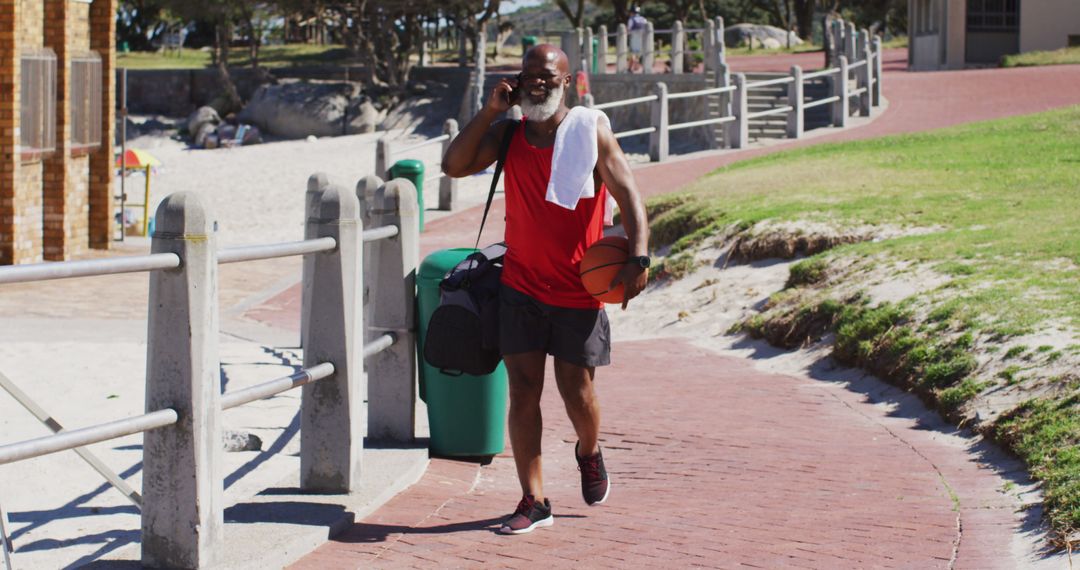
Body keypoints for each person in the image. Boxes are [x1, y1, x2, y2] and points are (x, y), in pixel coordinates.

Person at [441, 44, 649, 535]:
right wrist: (491, 111)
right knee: (523, 391)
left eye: (548, 75)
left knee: (577, 393)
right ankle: (534, 499)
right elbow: (454, 165)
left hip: (578, 288)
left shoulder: (590, 130)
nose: (537, 82)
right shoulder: (508, 134)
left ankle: (588, 450)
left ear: (567, 81)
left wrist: (639, 256)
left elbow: (629, 195)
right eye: (529, 74)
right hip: (520, 286)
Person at [627, 6, 648, 72]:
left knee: (632, 53)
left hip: (634, 37)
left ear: (632, 12)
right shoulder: (643, 19)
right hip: (642, 38)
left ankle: (630, 68)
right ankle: (637, 67)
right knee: (639, 53)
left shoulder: (631, 19)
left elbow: (628, 29)